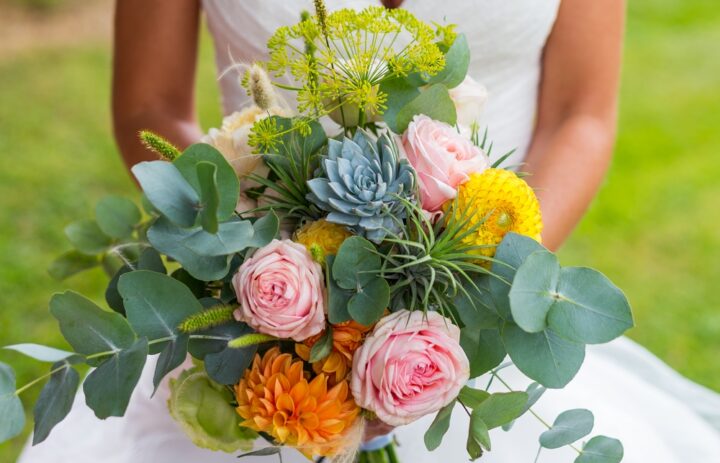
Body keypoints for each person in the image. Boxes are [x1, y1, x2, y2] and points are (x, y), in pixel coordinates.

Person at [19, 0, 720, 462]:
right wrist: (259, 272)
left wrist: (483, 287)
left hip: (483, 307)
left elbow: (581, 116)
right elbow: (150, 104)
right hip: (252, 311)